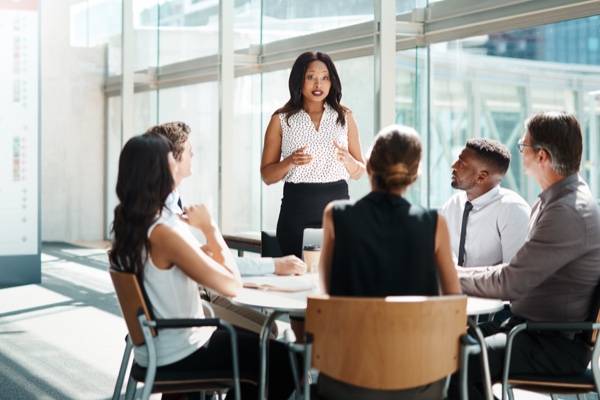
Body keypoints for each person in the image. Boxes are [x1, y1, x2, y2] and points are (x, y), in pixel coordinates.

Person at [108, 133, 297, 399]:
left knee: (263, 355)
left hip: (161, 345)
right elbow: (231, 285)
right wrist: (211, 229)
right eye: (170, 162)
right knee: (286, 362)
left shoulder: (132, 225)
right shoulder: (162, 233)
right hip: (183, 349)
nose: (175, 166)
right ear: (158, 172)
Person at [451, 111, 600, 400]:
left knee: (458, 361)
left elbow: (513, 282)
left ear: (542, 156)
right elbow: (519, 271)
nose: (520, 150)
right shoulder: (557, 200)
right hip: (531, 330)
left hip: (551, 343)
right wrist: (462, 275)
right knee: (450, 347)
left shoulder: (567, 211)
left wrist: (453, 281)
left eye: (524, 145)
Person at [317, 125, 462, 399]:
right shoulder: (434, 223)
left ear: (369, 167)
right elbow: (452, 304)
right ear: (414, 175)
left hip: (345, 379)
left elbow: (325, 294)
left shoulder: (335, 215)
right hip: (420, 381)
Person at [145, 121, 306, 338]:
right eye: (187, 149)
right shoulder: (164, 222)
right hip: (188, 313)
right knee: (267, 335)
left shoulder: (164, 208)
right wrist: (210, 227)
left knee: (271, 328)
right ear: (171, 159)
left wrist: (202, 253)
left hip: (191, 298)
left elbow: (204, 262)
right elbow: (227, 279)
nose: (193, 153)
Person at [261, 51, 366, 259]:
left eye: (325, 77)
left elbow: (359, 171)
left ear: (331, 82)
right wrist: (289, 161)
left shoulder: (345, 117)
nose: (318, 84)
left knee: (337, 276)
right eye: (311, 77)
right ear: (299, 80)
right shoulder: (281, 119)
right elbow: (267, 175)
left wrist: (348, 160)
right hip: (296, 213)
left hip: (338, 213)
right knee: (299, 275)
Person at [441, 138, 530, 267]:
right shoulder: (452, 205)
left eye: (461, 163)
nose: (453, 166)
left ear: (481, 177)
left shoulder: (512, 209)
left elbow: (515, 275)